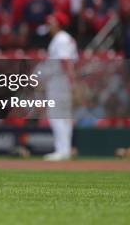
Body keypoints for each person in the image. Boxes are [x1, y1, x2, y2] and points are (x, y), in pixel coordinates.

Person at [43, 11, 78, 161]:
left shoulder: (61, 39)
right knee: (65, 116)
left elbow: (65, 61)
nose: (49, 26)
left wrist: (71, 81)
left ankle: (62, 150)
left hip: (60, 81)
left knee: (56, 115)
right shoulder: (65, 38)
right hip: (62, 80)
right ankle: (66, 150)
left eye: (51, 23)